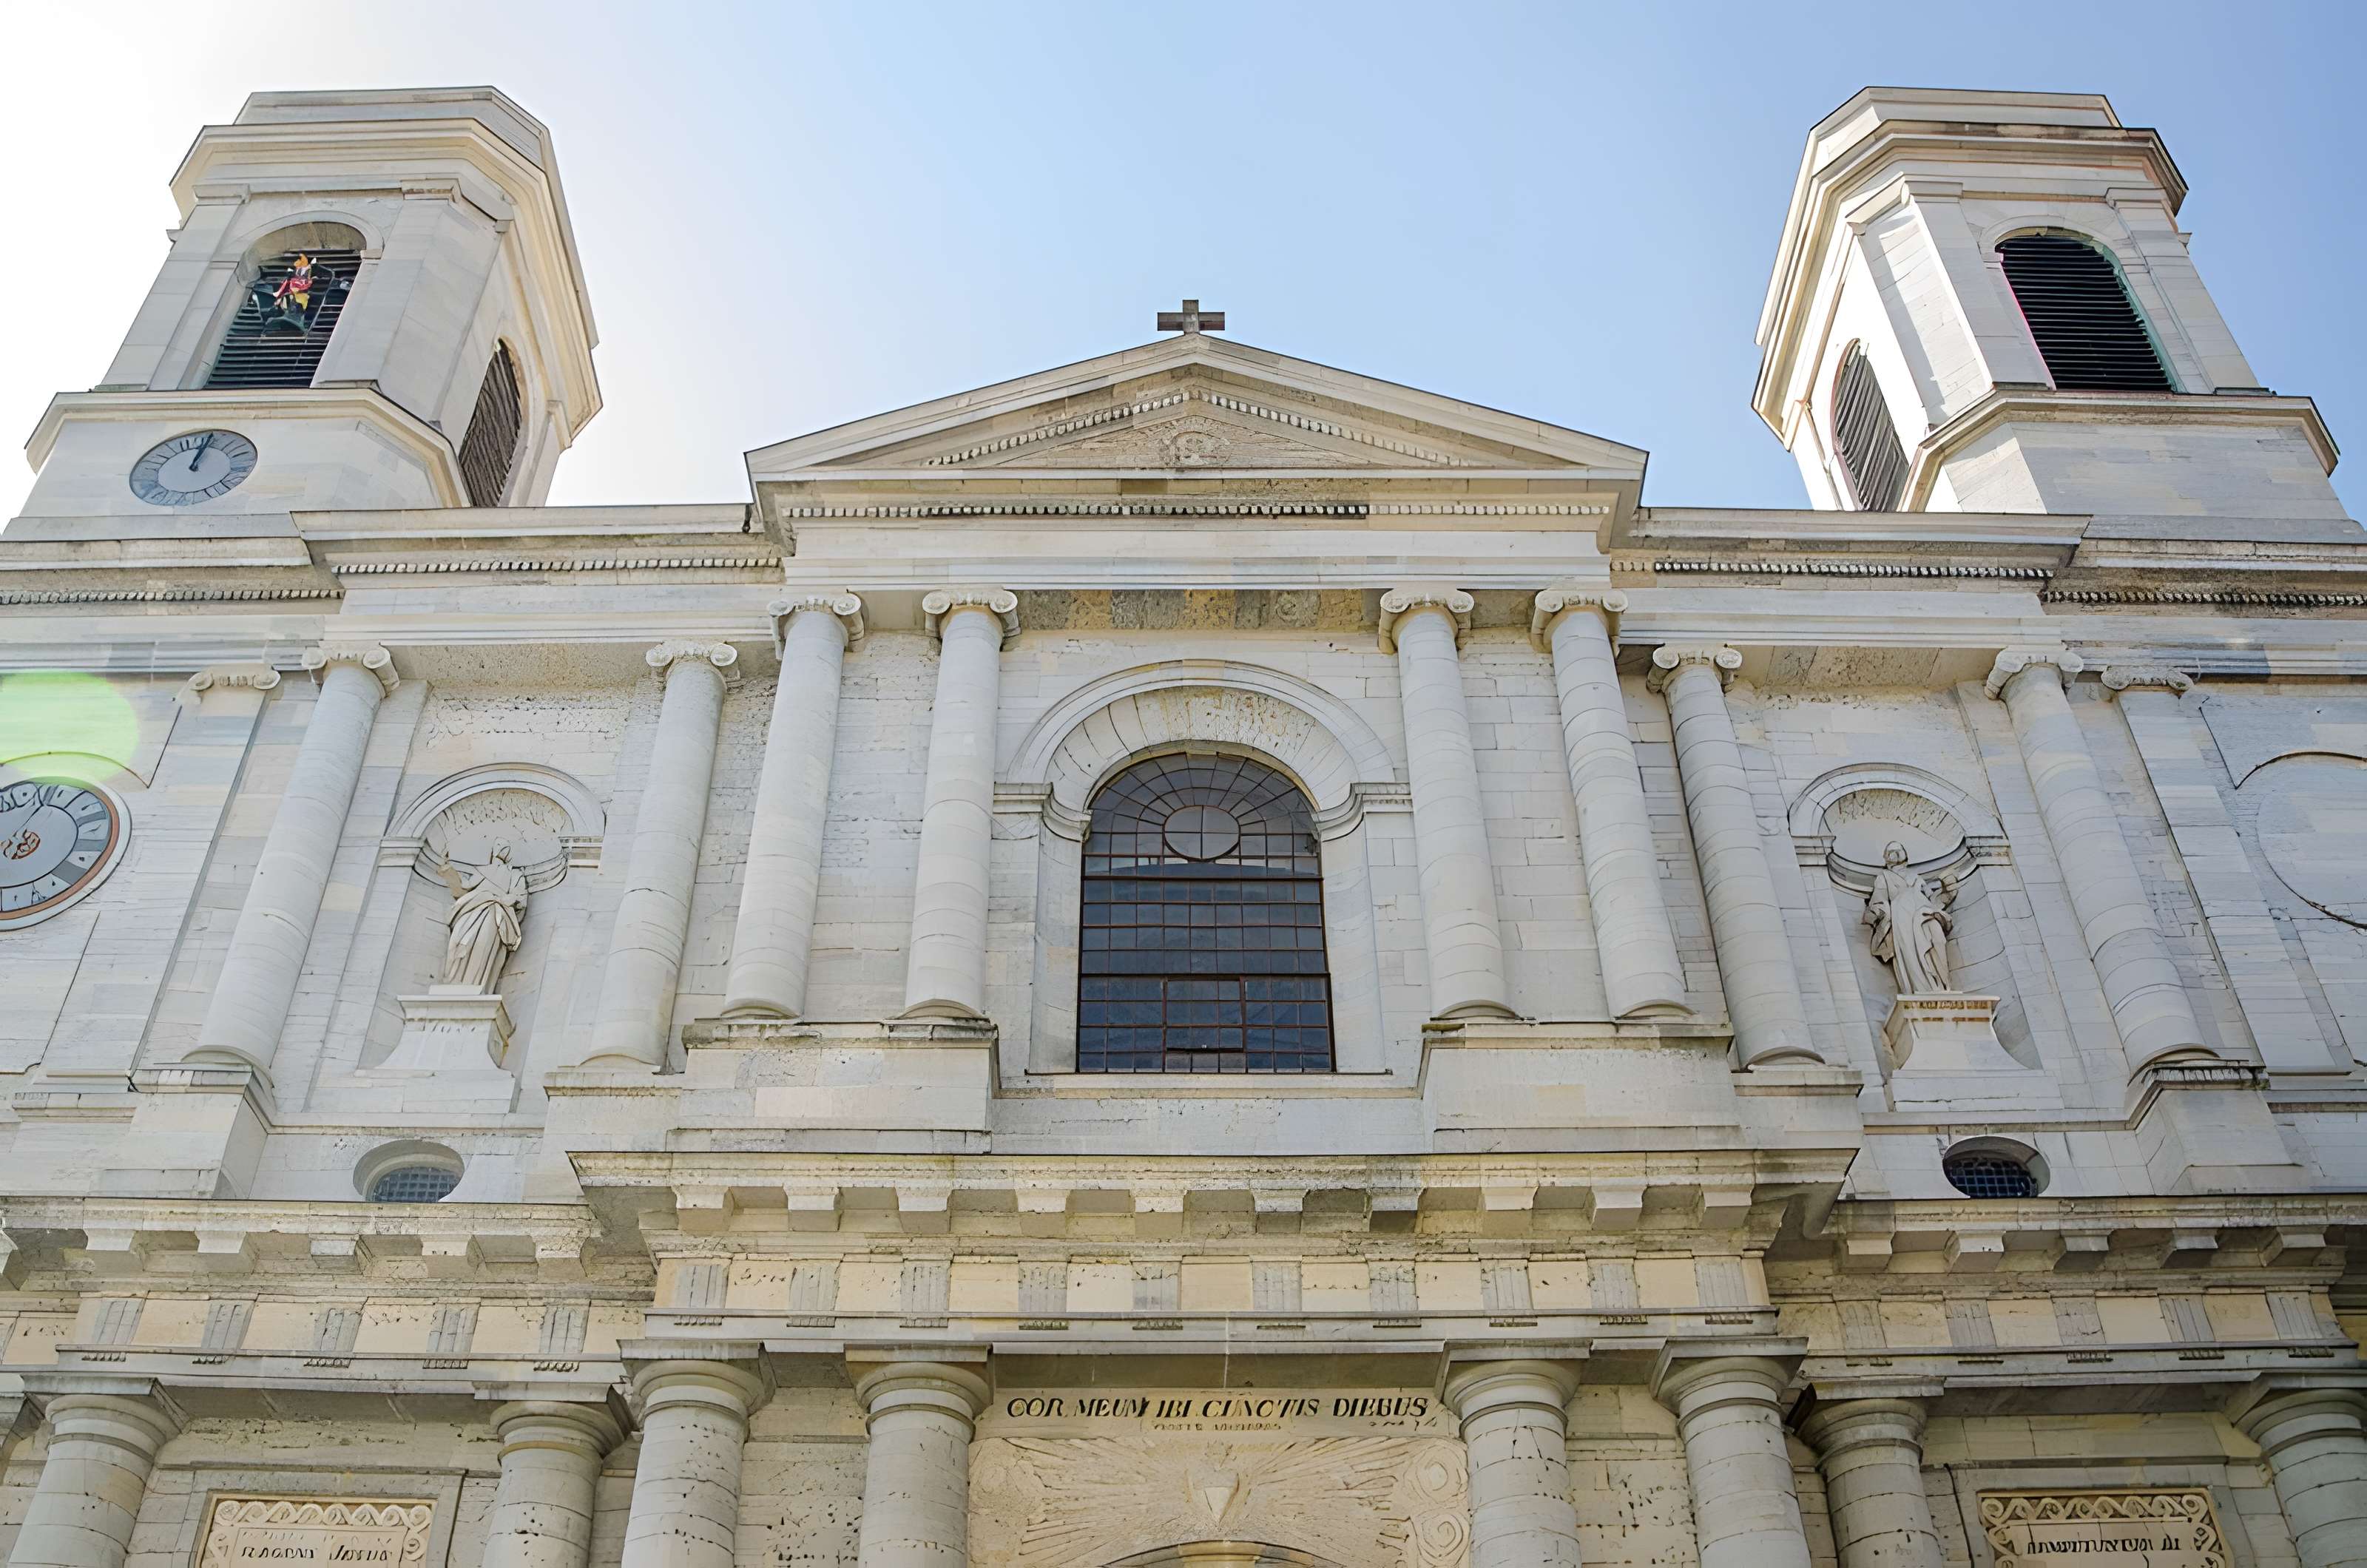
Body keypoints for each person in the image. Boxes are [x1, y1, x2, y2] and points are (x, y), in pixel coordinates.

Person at [436, 841, 528, 993]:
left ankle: (474, 985)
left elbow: (520, 898)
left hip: (493, 913)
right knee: (461, 942)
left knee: (480, 947)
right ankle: (457, 982)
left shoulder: (515, 875)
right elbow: (464, 886)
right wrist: (448, 868)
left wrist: (508, 899)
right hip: (473, 910)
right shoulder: (483, 871)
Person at [1865, 840, 1953, 995]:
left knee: (1938, 939)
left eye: (1899, 850)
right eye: (1892, 851)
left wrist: (1947, 893)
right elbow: (1878, 901)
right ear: (1886, 857)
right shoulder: (1884, 878)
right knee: (1910, 952)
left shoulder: (1915, 877)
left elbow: (1932, 898)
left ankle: (1942, 983)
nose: (1896, 854)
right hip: (1902, 915)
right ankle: (1922, 989)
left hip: (1924, 911)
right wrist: (1880, 912)